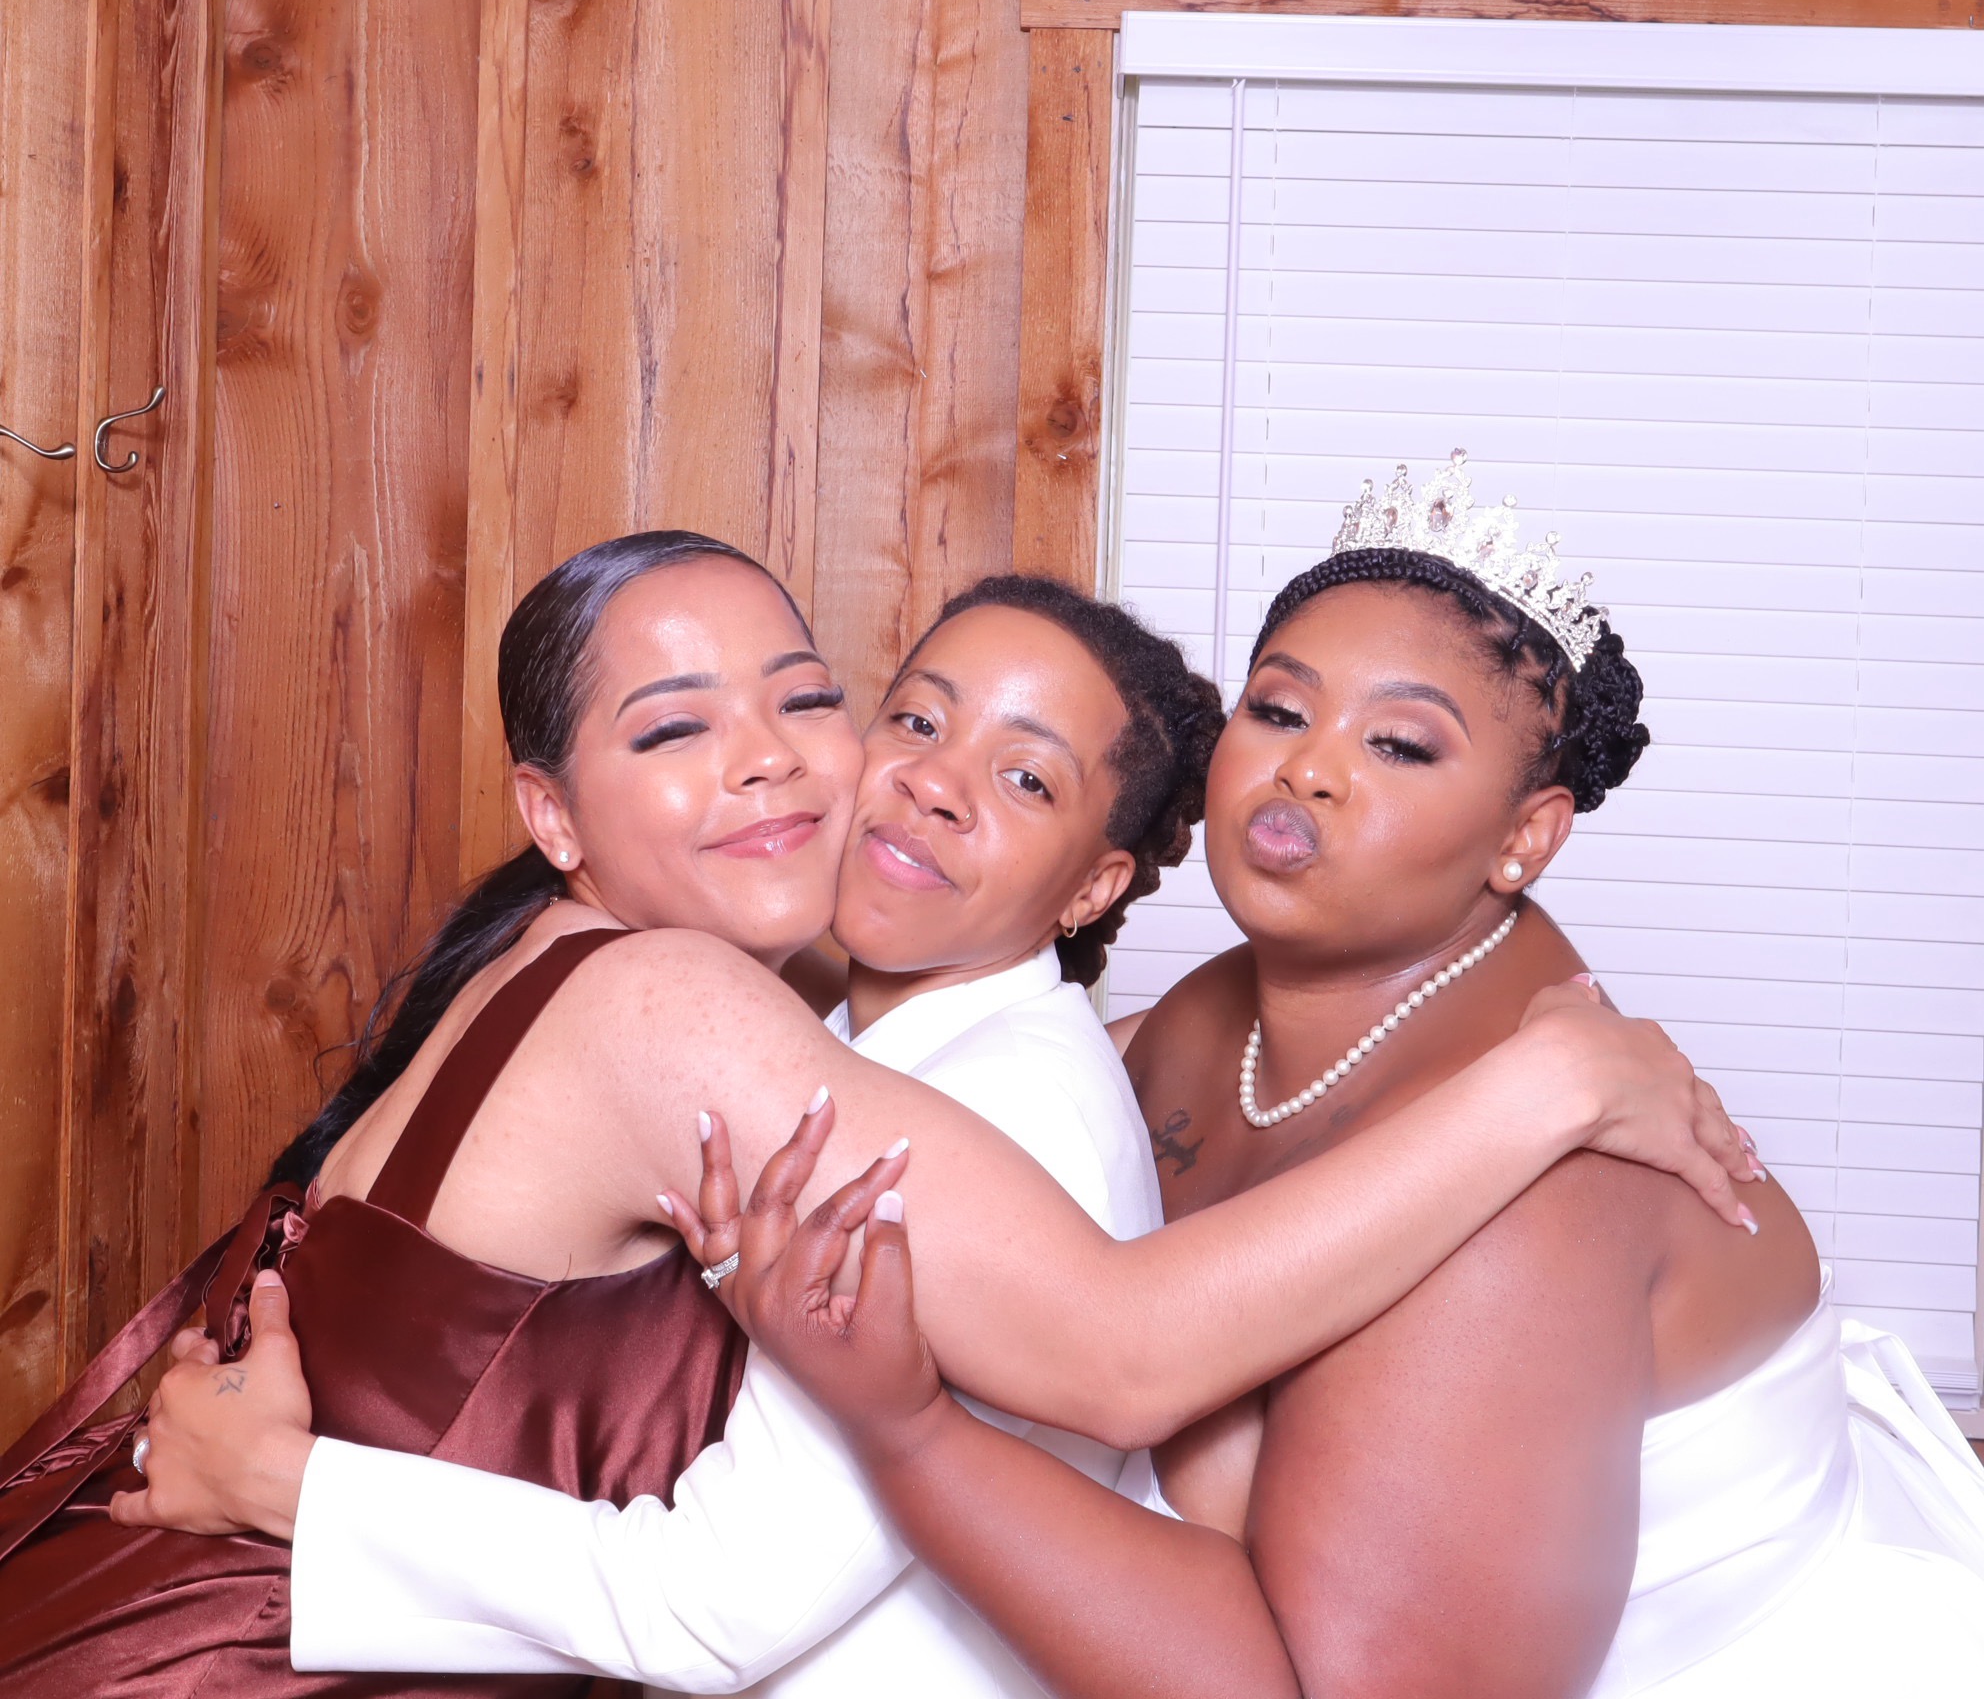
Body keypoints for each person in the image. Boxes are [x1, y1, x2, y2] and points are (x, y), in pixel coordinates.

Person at [1, 530, 1751, 1697]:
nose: (815, 764)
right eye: (903, 714)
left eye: (801, 704)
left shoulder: (685, 997)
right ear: (552, 810)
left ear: (1097, 878)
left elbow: (1110, 1361)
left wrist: (1554, 1075)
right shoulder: (747, 1016)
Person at [695, 454, 1984, 1699]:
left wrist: (906, 1428)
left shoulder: (1531, 1203)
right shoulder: (1209, 1016)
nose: (1310, 766)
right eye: (1281, 709)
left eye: (1402, 747)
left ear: (1524, 838)